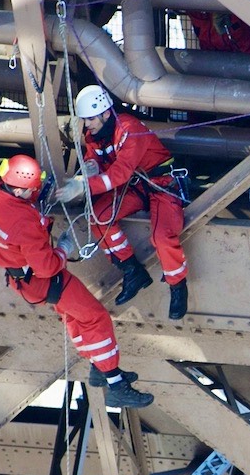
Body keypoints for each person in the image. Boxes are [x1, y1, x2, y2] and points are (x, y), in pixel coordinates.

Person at [0, 155, 154, 408]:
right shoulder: (23, 223)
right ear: (18, 189)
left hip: (25, 280)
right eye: (32, 189)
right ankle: (116, 383)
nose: (36, 191)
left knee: (75, 316)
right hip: (44, 280)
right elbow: (48, 266)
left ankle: (98, 366)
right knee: (96, 317)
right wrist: (63, 249)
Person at [56, 86, 190, 320]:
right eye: (85, 120)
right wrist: (88, 168)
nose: (87, 125)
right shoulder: (96, 134)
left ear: (106, 114)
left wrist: (85, 186)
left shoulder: (129, 129)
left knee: (162, 236)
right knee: (97, 217)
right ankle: (132, 271)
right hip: (137, 185)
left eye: (90, 119)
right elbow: (95, 157)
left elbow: (120, 173)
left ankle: (178, 287)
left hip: (162, 182)